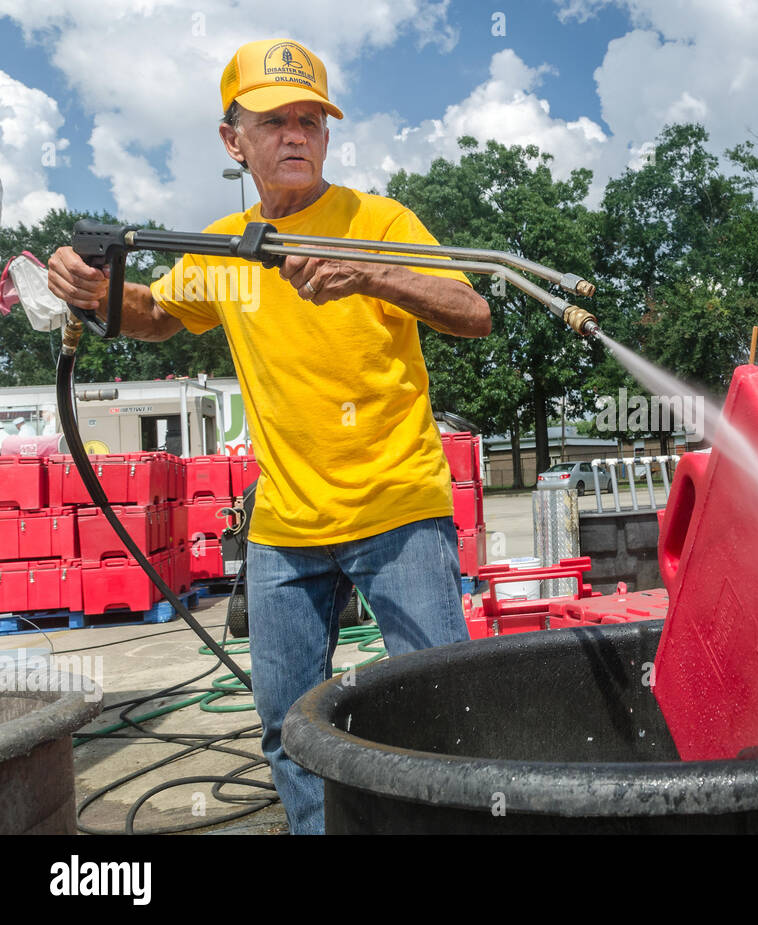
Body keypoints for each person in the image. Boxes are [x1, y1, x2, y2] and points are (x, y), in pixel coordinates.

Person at [46, 38, 491, 834]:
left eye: (311, 120)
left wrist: (368, 271)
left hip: (399, 511)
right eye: (275, 119)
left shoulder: (376, 221)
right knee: (289, 730)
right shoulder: (228, 249)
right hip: (285, 526)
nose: (296, 135)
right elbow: (153, 314)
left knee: (446, 713)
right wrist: (96, 292)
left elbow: (471, 311)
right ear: (233, 140)